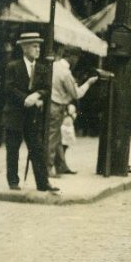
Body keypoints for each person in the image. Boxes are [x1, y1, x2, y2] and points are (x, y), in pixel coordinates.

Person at [3, 32, 58, 192]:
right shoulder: (13, 66)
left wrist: (37, 95)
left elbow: (47, 88)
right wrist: (25, 99)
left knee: (37, 149)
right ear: (24, 48)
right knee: (13, 149)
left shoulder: (42, 68)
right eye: (34, 46)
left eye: (39, 46)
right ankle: (13, 181)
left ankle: (43, 183)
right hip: (14, 114)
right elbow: (9, 88)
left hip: (32, 117)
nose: (38, 49)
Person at [48, 47, 98, 176]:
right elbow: (76, 94)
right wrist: (88, 83)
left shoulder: (53, 66)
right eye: (77, 58)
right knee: (53, 139)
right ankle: (47, 168)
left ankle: (61, 165)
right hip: (58, 106)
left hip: (50, 105)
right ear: (72, 57)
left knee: (56, 137)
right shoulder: (66, 73)